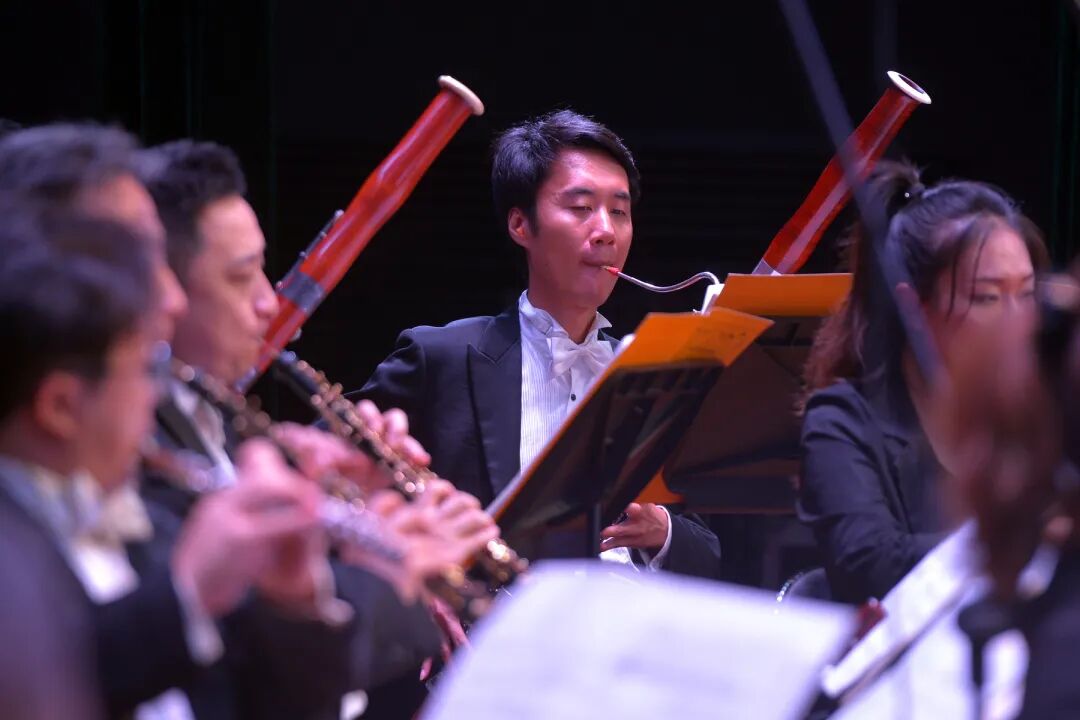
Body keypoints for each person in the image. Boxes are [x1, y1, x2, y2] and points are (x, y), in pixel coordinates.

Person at [136, 139, 499, 715]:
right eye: (241, 277)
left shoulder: (219, 421)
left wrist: (361, 509)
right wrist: (391, 576)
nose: (268, 302)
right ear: (163, 295)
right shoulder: (138, 453)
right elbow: (242, 670)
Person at [353, 109, 721, 578]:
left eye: (619, 211)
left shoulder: (655, 376)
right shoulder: (439, 358)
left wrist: (663, 530)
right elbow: (322, 473)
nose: (606, 231)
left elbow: (710, 552)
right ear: (520, 225)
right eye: (581, 208)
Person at [798, 159, 1049, 604]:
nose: (1018, 322)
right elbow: (870, 566)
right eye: (987, 297)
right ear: (912, 308)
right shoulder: (842, 421)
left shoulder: (1048, 410)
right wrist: (1022, 541)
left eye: (1027, 294)